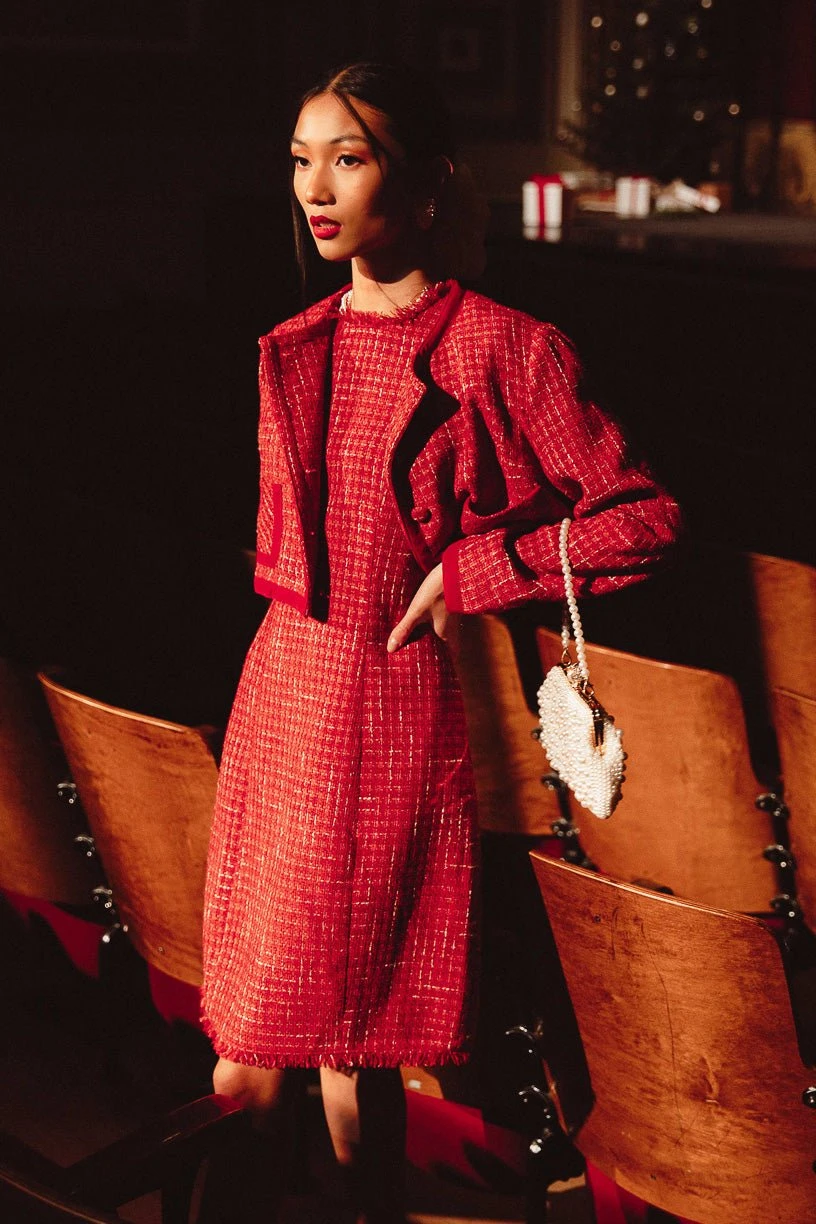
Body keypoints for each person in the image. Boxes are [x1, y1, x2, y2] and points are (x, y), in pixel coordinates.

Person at [200, 60, 682, 1222]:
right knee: (257, 1059)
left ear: (424, 187)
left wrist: (477, 570)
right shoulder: (296, 342)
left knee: (343, 1052)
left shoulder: (502, 346)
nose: (316, 189)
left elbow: (642, 518)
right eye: (302, 160)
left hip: (389, 725)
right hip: (282, 712)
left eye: (350, 159)